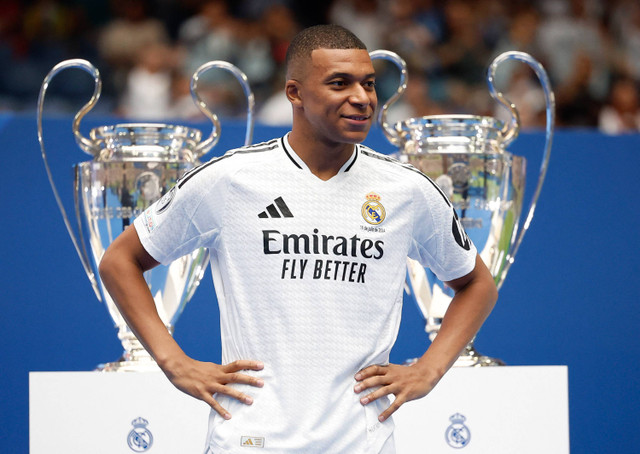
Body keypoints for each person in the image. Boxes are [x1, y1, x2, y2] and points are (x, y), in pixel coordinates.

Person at [99, 24, 498, 454]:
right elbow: (120, 261)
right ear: (295, 93)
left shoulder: (407, 189)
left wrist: (429, 370)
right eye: (339, 83)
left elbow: (476, 284)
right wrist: (174, 363)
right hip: (250, 441)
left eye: (368, 84)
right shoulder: (232, 179)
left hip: (361, 444)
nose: (362, 98)